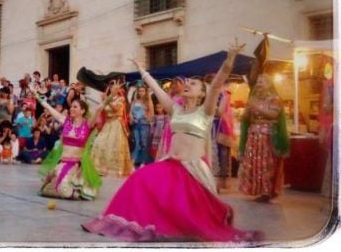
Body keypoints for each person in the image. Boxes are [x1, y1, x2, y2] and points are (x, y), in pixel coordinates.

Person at [82, 41, 262, 242]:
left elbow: (218, 82)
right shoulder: (175, 109)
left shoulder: (206, 111)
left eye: (193, 84)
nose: (187, 85)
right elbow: (154, 88)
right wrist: (141, 69)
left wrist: (229, 60)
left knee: (190, 219)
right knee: (138, 179)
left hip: (192, 170)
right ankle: (134, 221)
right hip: (170, 164)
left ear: (203, 93)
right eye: (187, 83)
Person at [37, 96, 101, 200]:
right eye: (71, 107)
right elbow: (50, 109)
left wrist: (110, 96)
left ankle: (75, 188)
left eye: (75, 107)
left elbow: (99, 109)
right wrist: (38, 97)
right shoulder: (66, 121)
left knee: (64, 191)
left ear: (82, 111)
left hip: (76, 165)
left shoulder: (87, 124)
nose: (71, 109)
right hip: (62, 163)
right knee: (48, 189)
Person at [238, 73, 289, 203]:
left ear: (270, 84)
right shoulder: (253, 98)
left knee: (266, 163)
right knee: (254, 163)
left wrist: (255, 106)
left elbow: (273, 114)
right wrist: (245, 115)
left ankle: (268, 191)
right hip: (253, 134)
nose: (259, 84)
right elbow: (246, 118)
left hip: (268, 135)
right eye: (258, 82)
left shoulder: (275, 98)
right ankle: (258, 190)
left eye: (262, 82)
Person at [91, 80, 133, 177]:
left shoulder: (121, 98)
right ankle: (100, 167)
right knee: (99, 142)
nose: (112, 88)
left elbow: (116, 109)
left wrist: (107, 100)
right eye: (111, 86)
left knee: (114, 147)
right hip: (108, 124)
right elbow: (101, 110)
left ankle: (114, 170)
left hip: (116, 124)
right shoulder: (108, 98)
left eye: (114, 87)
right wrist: (104, 101)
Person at [204, 73, 236, 191]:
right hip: (208, 124)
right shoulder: (207, 94)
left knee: (220, 153)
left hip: (219, 125)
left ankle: (219, 183)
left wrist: (209, 107)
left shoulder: (224, 94)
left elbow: (220, 111)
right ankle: (209, 180)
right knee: (209, 151)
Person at [130, 84, 154, 168]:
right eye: (139, 91)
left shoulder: (148, 101)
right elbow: (130, 113)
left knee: (144, 144)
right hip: (136, 124)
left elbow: (152, 114)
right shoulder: (134, 101)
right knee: (136, 143)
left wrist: (146, 117)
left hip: (144, 124)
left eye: (143, 91)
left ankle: (143, 162)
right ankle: (132, 162)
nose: (141, 92)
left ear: (145, 92)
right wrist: (132, 118)